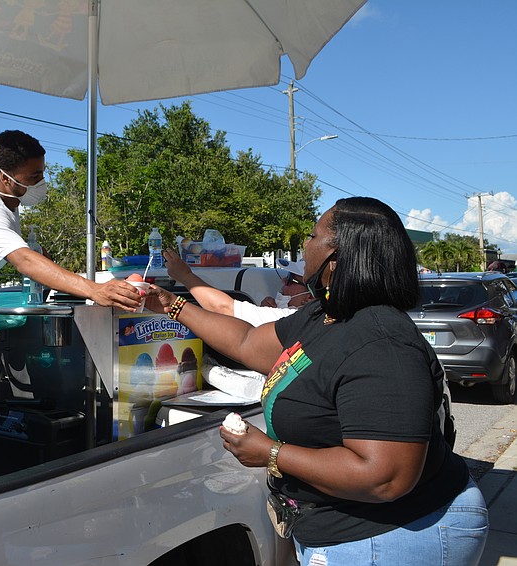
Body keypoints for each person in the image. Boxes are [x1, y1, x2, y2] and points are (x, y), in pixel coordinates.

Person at [146, 197, 488, 565]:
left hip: (395, 535)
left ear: (337, 257)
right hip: (349, 532)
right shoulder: (323, 317)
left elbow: (385, 476)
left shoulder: (381, 342)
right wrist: (172, 305)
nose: (304, 247)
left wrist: (272, 454)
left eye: (313, 236)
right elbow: (246, 341)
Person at [0, 130, 142, 310]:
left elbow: (27, 252)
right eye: (34, 176)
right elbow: (25, 261)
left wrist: (40, 255)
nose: (41, 181)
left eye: (42, 172)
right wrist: (94, 290)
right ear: (5, 178)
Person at [162, 249, 311, 326]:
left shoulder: (292, 318)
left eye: (291, 279)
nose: (284, 281)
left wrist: (185, 276)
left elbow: (222, 308)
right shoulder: (312, 319)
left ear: (310, 297)